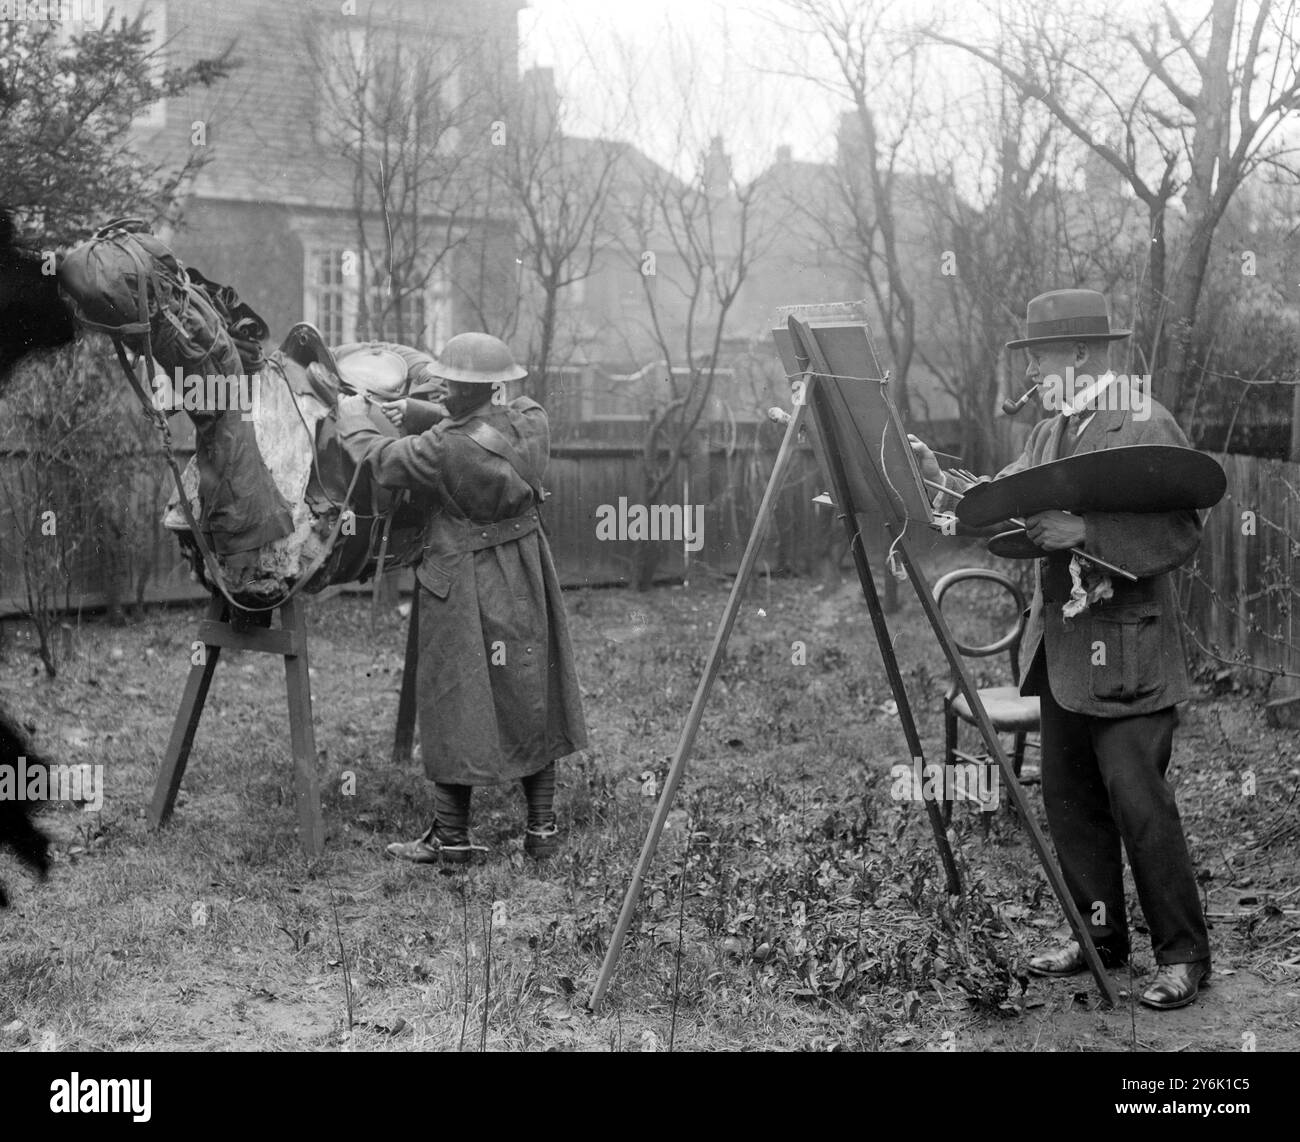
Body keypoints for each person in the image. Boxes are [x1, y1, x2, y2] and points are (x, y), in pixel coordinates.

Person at [910, 288, 1211, 1010]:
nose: (1034, 373)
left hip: (1131, 659)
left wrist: (1088, 534)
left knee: (1139, 804)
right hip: (1064, 656)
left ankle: (1185, 957)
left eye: (1041, 358)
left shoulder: (1143, 421)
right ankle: (1100, 940)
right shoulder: (1052, 431)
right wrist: (934, 474)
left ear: (1081, 354)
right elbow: (1007, 501)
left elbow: (1183, 531)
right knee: (1072, 804)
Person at [335, 332, 588, 863]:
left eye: (449, 384)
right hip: (524, 569)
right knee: (531, 688)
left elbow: (379, 458)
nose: (443, 388)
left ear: (467, 389)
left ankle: (453, 839)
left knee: (454, 697)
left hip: (461, 575)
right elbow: (480, 429)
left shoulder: (441, 450)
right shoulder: (531, 420)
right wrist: (418, 408)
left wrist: (353, 413)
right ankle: (541, 830)